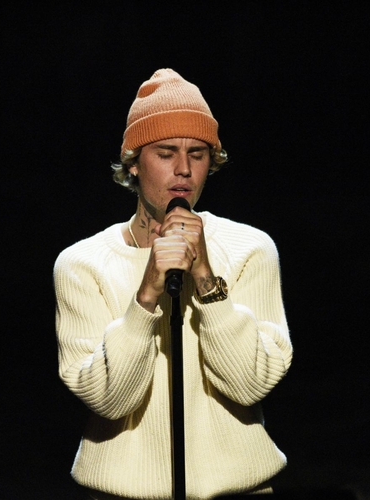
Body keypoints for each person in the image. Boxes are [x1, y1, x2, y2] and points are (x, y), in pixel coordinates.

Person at [54, 68, 293, 499]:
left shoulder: (251, 249)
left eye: (198, 154)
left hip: (237, 490)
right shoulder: (82, 264)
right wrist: (146, 296)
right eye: (166, 152)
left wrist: (204, 276)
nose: (183, 169)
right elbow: (110, 401)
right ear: (132, 162)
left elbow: (249, 384)